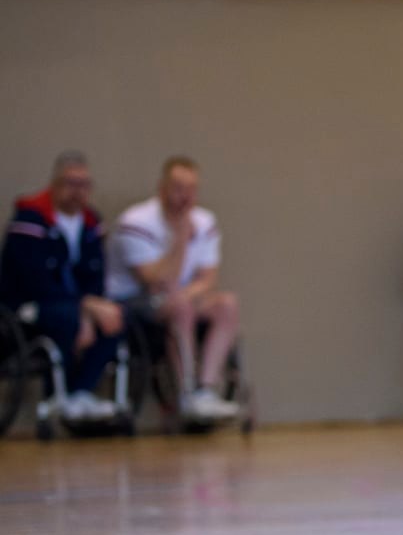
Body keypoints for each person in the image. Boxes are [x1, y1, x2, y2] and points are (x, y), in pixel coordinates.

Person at [106, 155, 241, 421]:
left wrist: (185, 296)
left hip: (178, 299)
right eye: (178, 188)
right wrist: (180, 237)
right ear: (162, 188)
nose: (185, 197)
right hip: (134, 302)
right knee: (181, 308)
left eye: (191, 189)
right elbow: (155, 280)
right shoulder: (136, 221)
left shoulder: (205, 221)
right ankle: (186, 393)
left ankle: (206, 388)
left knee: (226, 304)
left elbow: (207, 278)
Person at [0, 151, 123, 420]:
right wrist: (84, 309)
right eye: (70, 184)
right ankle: (58, 394)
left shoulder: (91, 223)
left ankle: (81, 393)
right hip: (28, 307)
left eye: (84, 185)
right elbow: (34, 281)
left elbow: (95, 276)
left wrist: (90, 310)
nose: (77, 192)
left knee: (115, 317)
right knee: (67, 319)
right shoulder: (29, 220)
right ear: (54, 184)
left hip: (77, 306)